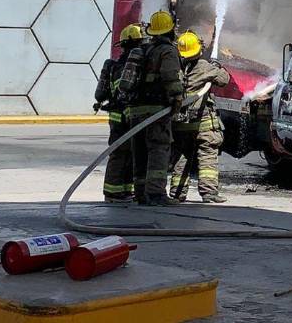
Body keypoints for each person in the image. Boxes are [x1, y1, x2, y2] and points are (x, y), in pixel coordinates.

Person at [128, 11, 184, 206]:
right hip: (156, 110)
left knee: (140, 151)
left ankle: (141, 193)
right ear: (170, 30)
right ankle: (156, 194)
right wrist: (177, 98)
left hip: (136, 110)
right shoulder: (167, 51)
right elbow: (171, 76)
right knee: (158, 150)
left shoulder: (142, 50)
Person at [170, 30, 231, 203]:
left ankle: (177, 194)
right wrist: (217, 66)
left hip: (180, 122)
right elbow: (224, 79)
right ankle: (209, 193)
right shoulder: (204, 66)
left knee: (181, 157)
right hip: (202, 122)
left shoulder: (174, 67)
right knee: (207, 155)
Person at [93, 23, 147, 204]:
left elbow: (101, 94)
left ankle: (122, 191)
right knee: (122, 154)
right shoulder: (131, 67)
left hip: (117, 116)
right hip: (125, 115)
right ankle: (113, 193)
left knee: (125, 154)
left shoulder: (113, 65)